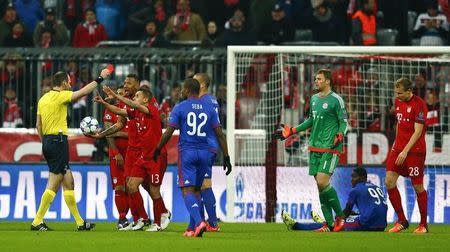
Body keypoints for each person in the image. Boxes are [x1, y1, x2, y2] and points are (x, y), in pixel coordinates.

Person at [31, 66, 111, 231]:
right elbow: (83, 92)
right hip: (57, 141)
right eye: (68, 81)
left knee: (69, 182)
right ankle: (37, 221)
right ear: (62, 83)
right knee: (54, 183)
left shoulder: (43, 99)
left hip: (48, 141)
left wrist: (45, 142)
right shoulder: (60, 96)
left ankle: (80, 223)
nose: (70, 83)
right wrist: (100, 78)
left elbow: (38, 125)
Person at [152, 78, 232, 237]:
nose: (181, 91)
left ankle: (200, 221)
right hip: (204, 153)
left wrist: (158, 148)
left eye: (183, 88)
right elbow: (219, 134)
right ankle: (192, 228)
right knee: (197, 189)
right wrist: (227, 156)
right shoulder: (209, 108)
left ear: (188, 90)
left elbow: (168, 131)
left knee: (186, 190)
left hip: (188, 153)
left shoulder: (180, 107)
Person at [274, 69, 348, 232]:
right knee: (320, 186)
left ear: (328, 81)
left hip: (330, 147)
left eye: (319, 79)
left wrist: (340, 134)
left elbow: (344, 122)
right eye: (315, 79)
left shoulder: (336, 100)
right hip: (314, 146)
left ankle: (341, 217)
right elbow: (311, 120)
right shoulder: (314, 99)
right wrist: (292, 130)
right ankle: (328, 224)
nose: (316, 81)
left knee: (322, 181)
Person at [94, 85, 171, 232]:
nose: (134, 98)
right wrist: (104, 103)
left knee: (154, 191)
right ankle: (142, 218)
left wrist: (116, 96)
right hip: (143, 157)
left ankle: (158, 223)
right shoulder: (136, 113)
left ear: (145, 99)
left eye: (137, 96)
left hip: (154, 157)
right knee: (131, 185)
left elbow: (133, 105)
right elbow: (119, 111)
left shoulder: (151, 110)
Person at [281, 167, 387, 231]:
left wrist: (337, 217)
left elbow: (345, 212)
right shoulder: (376, 187)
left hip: (367, 224)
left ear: (363, 178)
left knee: (334, 224)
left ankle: (295, 226)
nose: (352, 180)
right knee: (351, 216)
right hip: (382, 225)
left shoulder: (356, 190)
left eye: (354, 177)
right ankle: (326, 220)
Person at [385, 77, 429, 233]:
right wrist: (397, 144)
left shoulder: (420, 105)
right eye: (396, 92)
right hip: (399, 148)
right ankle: (402, 220)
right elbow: (399, 124)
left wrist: (405, 151)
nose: (397, 96)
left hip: (415, 151)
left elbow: (418, 132)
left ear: (409, 91)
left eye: (400, 93)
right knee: (389, 181)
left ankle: (423, 225)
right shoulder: (398, 102)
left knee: (417, 186)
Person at [193, 73, 220, 231]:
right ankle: (204, 221)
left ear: (202, 85)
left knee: (203, 185)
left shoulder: (202, 102)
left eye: (195, 81)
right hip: (210, 145)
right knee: (200, 185)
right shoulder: (212, 100)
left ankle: (213, 223)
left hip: (204, 147)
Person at [102, 86, 130, 229]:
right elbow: (108, 133)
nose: (117, 96)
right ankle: (122, 218)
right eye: (116, 93)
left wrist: (119, 133)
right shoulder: (109, 111)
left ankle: (139, 217)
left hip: (132, 154)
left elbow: (134, 134)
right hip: (117, 154)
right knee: (119, 187)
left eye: (120, 93)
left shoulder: (131, 111)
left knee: (131, 187)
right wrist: (116, 153)